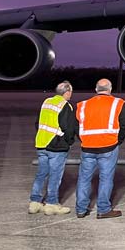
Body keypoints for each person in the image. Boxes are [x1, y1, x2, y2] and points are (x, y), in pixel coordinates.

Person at [75, 78, 125, 219]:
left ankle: (81, 209)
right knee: (106, 178)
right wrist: (118, 140)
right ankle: (103, 209)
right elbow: (124, 125)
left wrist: (84, 138)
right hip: (108, 146)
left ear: (96, 89)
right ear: (110, 89)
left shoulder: (82, 105)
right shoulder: (118, 103)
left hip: (87, 146)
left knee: (84, 178)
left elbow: (76, 126)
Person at [29, 81, 78, 215]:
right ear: (67, 92)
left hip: (42, 143)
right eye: (70, 92)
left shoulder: (46, 102)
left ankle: (35, 202)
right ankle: (51, 204)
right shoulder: (65, 105)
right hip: (56, 146)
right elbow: (68, 128)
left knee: (41, 174)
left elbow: (37, 123)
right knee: (55, 176)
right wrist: (68, 142)